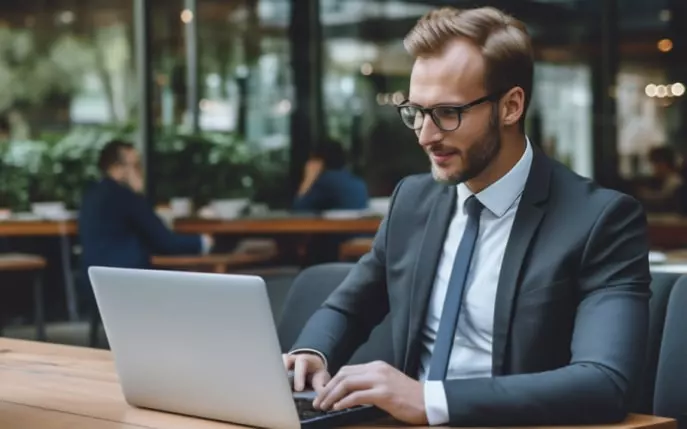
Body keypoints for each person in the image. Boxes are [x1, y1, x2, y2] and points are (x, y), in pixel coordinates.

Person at [283, 6, 650, 427]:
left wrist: (430, 400)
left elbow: (604, 383)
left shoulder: (601, 220)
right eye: (416, 112)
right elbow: (349, 308)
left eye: (447, 113)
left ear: (511, 106)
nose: (425, 134)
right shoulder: (412, 201)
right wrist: (311, 353)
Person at [79, 140, 213, 297]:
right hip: (129, 282)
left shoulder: (91, 195)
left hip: (94, 283)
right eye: (136, 166)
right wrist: (204, 242)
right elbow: (166, 242)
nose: (140, 172)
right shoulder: (125, 197)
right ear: (117, 168)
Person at [292, 139, 368, 212]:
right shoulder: (358, 182)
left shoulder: (323, 183)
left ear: (318, 161)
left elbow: (298, 210)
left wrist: (308, 179)